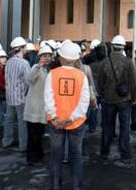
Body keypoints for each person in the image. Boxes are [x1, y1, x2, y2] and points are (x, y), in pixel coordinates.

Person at [44, 40, 90, 190]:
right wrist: (70, 118)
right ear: (76, 59)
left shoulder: (52, 74)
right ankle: (76, 186)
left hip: (55, 123)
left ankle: (56, 185)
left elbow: (48, 98)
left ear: (61, 58)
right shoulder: (81, 76)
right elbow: (84, 103)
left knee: (56, 154)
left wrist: (56, 118)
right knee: (76, 154)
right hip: (75, 123)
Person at [99, 35, 136, 162]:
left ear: (112, 47)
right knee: (124, 127)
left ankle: (104, 152)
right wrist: (134, 98)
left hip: (108, 99)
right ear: (123, 47)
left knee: (107, 126)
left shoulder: (105, 62)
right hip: (124, 99)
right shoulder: (128, 62)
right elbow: (133, 82)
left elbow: (100, 82)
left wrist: (103, 95)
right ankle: (125, 154)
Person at [24, 45, 53, 165]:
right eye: (44, 56)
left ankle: (38, 154)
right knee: (33, 134)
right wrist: (38, 66)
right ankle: (31, 158)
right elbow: (29, 79)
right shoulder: (36, 67)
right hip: (33, 107)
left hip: (41, 108)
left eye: (49, 56)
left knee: (39, 133)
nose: (47, 58)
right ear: (39, 57)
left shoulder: (48, 70)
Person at [3, 37, 30, 152]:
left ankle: (6, 141)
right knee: (22, 122)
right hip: (21, 97)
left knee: (8, 120)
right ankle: (23, 145)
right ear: (22, 48)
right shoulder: (24, 63)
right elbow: (29, 81)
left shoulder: (8, 62)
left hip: (9, 96)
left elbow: (6, 78)